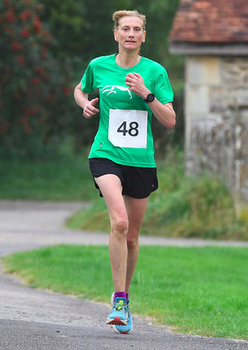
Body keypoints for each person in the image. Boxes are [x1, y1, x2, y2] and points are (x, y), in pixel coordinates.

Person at [74, 9, 176, 334]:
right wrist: (84, 103)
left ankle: (125, 299)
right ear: (116, 34)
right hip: (105, 155)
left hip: (141, 161)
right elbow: (80, 89)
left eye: (137, 29)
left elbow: (170, 120)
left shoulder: (155, 72)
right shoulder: (99, 66)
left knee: (131, 236)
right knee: (118, 221)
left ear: (144, 36)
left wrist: (146, 94)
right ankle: (118, 301)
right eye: (125, 29)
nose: (130, 34)